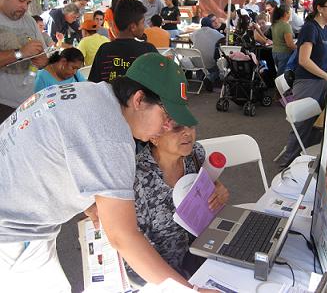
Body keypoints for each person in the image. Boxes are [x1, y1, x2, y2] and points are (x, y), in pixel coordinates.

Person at [0, 52, 216, 292]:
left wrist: (87, 200)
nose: (165, 128)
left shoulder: (91, 93)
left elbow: (49, 149)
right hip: (11, 235)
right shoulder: (111, 135)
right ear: (138, 99)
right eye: (166, 117)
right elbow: (123, 237)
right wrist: (191, 290)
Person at [127, 121, 229, 284]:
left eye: (191, 125)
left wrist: (217, 191)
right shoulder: (137, 179)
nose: (188, 132)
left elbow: (208, 186)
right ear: (154, 137)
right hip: (160, 270)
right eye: (177, 128)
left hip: (201, 249)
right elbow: (134, 246)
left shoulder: (195, 154)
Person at [279, 0, 327, 169]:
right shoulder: (310, 28)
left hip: (320, 81)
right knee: (302, 125)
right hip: (308, 82)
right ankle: (288, 165)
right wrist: (326, 76)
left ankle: (302, 161)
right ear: (319, 8)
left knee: (314, 124)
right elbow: (304, 60)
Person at [0, 0, 48, 123]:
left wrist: (42, 61)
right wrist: (20, 53)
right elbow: (22, 53)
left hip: (27, 102)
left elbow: (43, 57)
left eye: (28, 2)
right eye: (20, 0)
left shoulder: (29, 21)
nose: (25, 7)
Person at [89, 0, 157, 83]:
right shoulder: (148, 50)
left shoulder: (104, 50)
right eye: (143, 22)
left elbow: (93, 84)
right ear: (133, 27)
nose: (144, 27)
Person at [190, 17, 224, 92]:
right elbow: (223, 38)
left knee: (201, 64)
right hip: (209, 62)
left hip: (196, 62)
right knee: (216, 70)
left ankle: (201, 78)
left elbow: (190, 38)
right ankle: (209, 78)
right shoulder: (215, 32)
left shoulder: (195, 32)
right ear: (210, 24)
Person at [271, 5, 297, 76]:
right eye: (289, 12)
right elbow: (290, 44)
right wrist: (299, 49)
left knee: (280, 73)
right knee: (282, 76)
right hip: (284, 53)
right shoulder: (286, 26)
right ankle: (279, 87)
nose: (290, 14)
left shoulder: (274, 24)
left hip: (275, 52)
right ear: (286, 13)